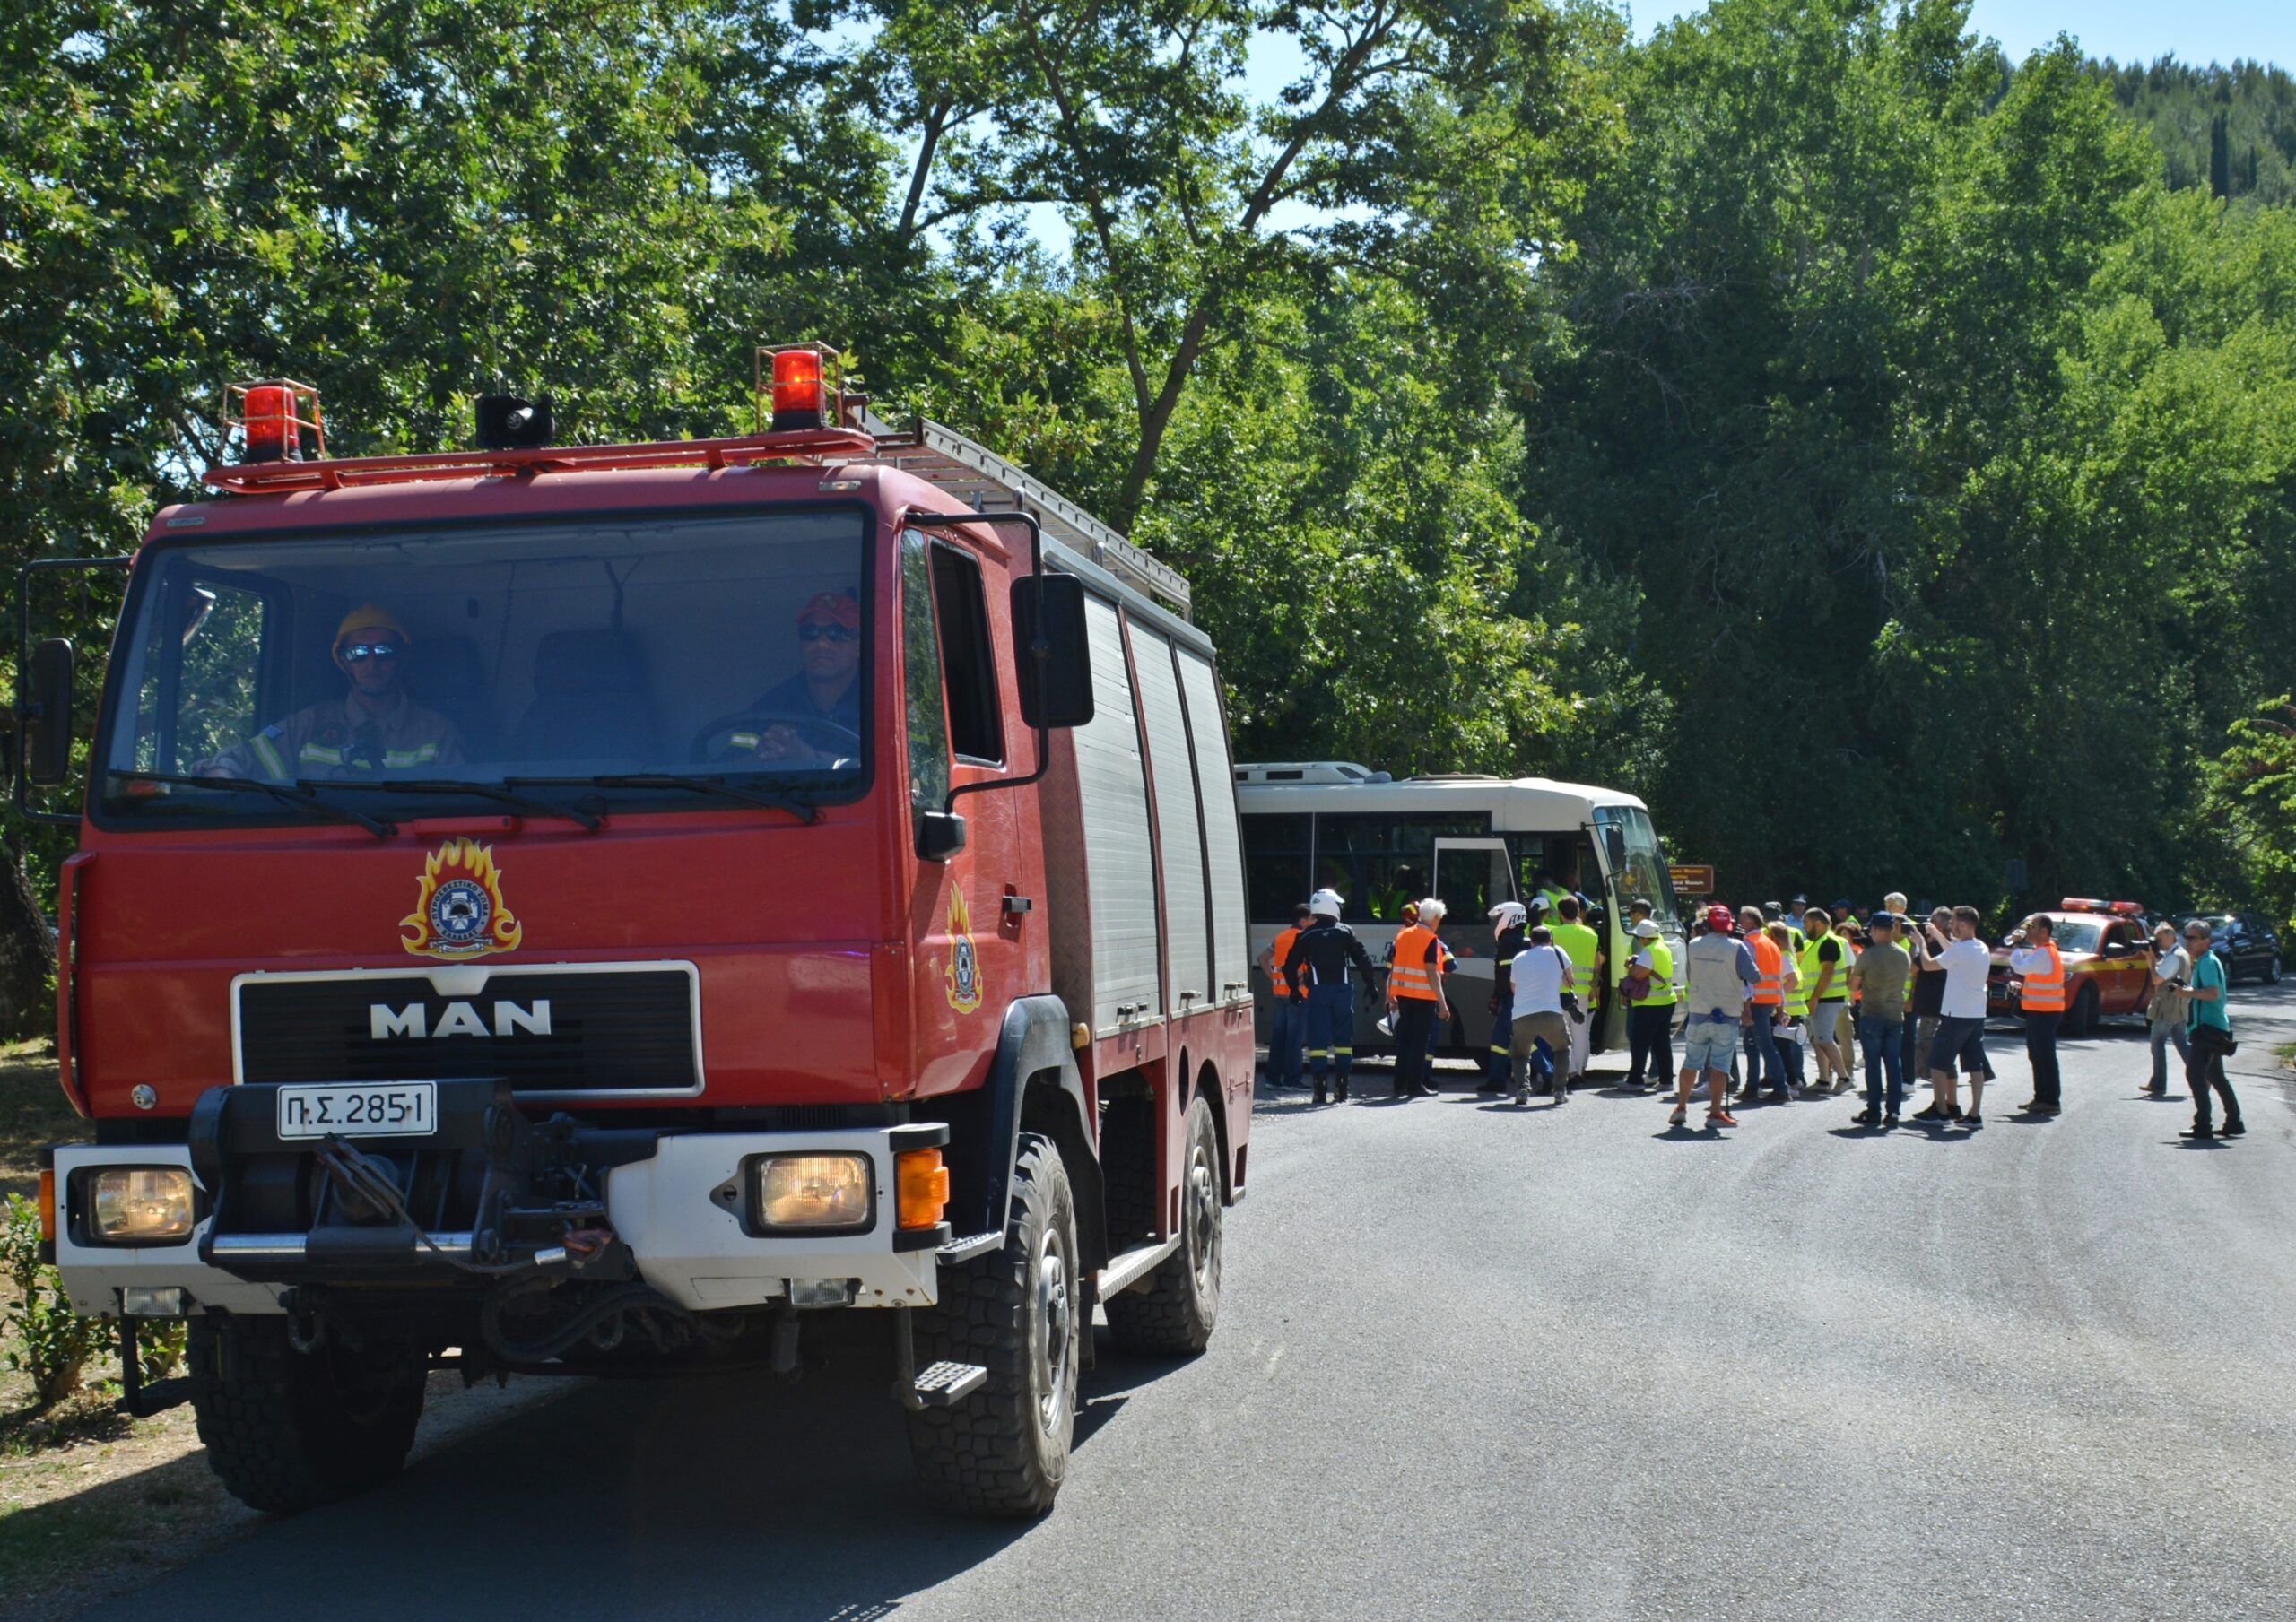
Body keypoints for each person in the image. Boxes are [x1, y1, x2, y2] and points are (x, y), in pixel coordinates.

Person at [202, 603, 462, 781]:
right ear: (343, 660)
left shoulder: (437, 732)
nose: (371, 664)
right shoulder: (307, 725)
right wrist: (222, 777)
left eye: (384, 652)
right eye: (358, 654)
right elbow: (233, 761)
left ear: (403, 658)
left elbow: (456, 807)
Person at [1284, 889, 1378, 1104]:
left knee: (1318, 1042)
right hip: (1343, 992)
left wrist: (1294, 990)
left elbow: (1289, 966)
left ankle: (1319, 1091)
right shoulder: (1345, 931)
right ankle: (1342, 1090)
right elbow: (1363, 960)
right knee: (1344, 1040)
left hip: (1318, 992)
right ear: (1332, 906)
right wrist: (1371, 985)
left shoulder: (1306, 935)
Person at [745, 590, 863, 761]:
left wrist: (808, 757)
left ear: (859, 644)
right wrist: (759, 755)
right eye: (810, 632)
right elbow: (726, 769)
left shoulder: (881, 705)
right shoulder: (771, 706)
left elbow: (890, 772)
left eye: (836, 633)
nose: (822, 643)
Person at [1673, 904, 1756, 1129]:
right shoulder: (1736, 946)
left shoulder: (1694, 944)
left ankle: (1681, 1108)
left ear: (1708, 924)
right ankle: (1715, 1113)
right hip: (1727, 1013)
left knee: (1691, 1061)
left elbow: (1691, 973)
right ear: (1729, 925)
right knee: (1720, 1065)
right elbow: (1754, 976)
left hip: (1699, 1010)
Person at [1909, 905, 1991, 1127]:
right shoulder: (1980, 947)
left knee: (1938, 1063)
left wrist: (1922, 944)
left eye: (1953, 923)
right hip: (1976, 1014)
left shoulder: (1960, 951)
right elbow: (1953, 953)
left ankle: (1942, 1111)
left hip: (1955, 1015)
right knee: (1975, 1066)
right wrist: (1936, 935)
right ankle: (1974, 1114)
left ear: (1963, 925)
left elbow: (1927, 964)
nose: (1950, 927)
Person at [2179, 919, 2243, 1140]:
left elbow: (2212, 993)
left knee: (2195, 1073)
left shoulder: (2206, 962)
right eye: (2186, 937)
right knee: (2215, 1076)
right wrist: (2187, 990)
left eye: (2193, 938)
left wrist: (2186, 993)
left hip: (2209, 1029)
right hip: (2212, 1027)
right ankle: (2234, 1121)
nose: (2188, 942)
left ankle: (2203, 1125)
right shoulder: (2206, 960)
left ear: (2206, 941)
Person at [1848, 913, 1912, 1126]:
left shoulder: (1868, 955)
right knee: (1894, 1064)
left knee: (1873, 1064)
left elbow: (1854, 985)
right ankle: (1893, 1112)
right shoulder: (1903, 954)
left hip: (1872, 1013)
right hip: (1895, 1015)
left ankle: (1873, 1109)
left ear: (1875, 929)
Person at [1387, 898, 1451, 1099]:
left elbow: (1393, 968)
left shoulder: (1403, 934)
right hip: (1424, 997)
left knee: (1404, 1041)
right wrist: (1442, 1003)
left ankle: (1399, 1085)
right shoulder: (1430, 939)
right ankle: (1415, 1086)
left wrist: (1390, 995)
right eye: (1439, 919)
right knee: (1419, 1043)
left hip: (1403, 995)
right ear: (1436, 918)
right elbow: (1432, 973)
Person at [2006, 915, 2067, 1115]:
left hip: (2045, 1012)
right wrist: (2022, 988)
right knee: (2037, 1055)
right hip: (2040, 1011)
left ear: (2044, 931)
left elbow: (2019, 967)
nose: (2029, 930)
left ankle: (2050, 1099)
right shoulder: (2042, 952)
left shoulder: (2044, 953)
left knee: (2044, 1056)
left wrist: (2016, 946)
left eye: (2033, 927)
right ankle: (2041, 1097)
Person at [1509, 924, 1576, 1107]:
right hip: (1551, 1013)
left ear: (1531, 942)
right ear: (1550, 940)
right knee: (1562, 1049)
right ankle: (1560, 1091)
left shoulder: (1519, 957)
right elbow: (1571, 980)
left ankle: (1522, 1089)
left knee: (1520, 1054)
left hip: (1522, 1014)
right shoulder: (1558, 952)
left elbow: (1514, 988)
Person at [1256, 904, 1313, 1090]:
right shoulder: (1304, 938)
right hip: (1298, 995)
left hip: (1280, 993)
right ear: (1303, 920)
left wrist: (1274, 979)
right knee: (1294, 1039)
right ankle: (1292, 1080)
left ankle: (1272, 1079)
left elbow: (1262, 958)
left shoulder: (1280, 938)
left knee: (1278, 1038)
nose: (1313, 922)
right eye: (1312, 919)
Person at [1551, 896, 1603, 1092]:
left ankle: (1569, 1072)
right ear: (1578, 911)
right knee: (1581, 1035)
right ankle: (1579, 1073)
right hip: (1583, 992)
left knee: (1562, 1033)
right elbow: (1597, 963)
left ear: (1560, 914)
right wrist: (1594, 987)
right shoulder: (1591, 934)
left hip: (1559, 991)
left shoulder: (1554, 933)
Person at [1736, 906, 1788, 1102]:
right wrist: (1781, 1008)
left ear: (1751, 920)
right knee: (1753, 1045)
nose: (1739, 922)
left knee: (1764, 1046)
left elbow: (1747, 978)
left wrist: (1746, 1006)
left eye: (1742, 919)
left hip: (1756, 1001)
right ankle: (1752, 1087)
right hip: (1769, 1001)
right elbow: (1778, 977)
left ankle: (1780, 1088)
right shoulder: (1770, 943)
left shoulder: (1749, 943)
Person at [1482, 901, 1531, 1094]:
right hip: (1526, 997)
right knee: (1511, 1039)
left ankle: (1550, 1075)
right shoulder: (1526, 940)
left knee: (1503, 1039)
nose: (1498, 922)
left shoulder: (1508, 942)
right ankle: (1496, 1079)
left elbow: (1505, 975)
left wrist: (1497, 996)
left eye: (1501, 917)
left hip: (1511, 998)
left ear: (1510, 918)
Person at [1622, 917, 1675, 1091]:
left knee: (1640, 1042)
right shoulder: (1664, 948)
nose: (1638, 940)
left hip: (1649, 1004)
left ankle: (1635, 1080)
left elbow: (1638, 975)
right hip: (1667, 1001)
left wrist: (1630, 966)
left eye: (1638, 938)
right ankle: (1666, 1080)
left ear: (1644, 938)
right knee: (1662, 1042)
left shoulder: (1649, 951)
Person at [1800, 906, 1850, 1092]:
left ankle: (1844, 1078)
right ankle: (1824, 1080)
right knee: (1818, 1040)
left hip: (1827, 999)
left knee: (1824, 1039)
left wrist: (1814, 998)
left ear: (1818, 923)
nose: (1804, 926)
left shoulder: (1828, 942)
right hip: (1819, 999)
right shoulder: (1814, 943)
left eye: (1807, 922)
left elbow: (1828, 971)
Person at [2144, 922, 2191, 1098]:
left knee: (2157, 1044)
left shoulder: (2173, 957)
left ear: (2171, 936)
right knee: (2181, 1044)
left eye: (2160, 938)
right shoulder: (2179, 954)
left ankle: (2158, 1083)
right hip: (2178, 1006)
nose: (2158, 942)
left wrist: (2150, 960)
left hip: (2167, 1006)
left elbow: (2157, 980)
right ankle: (2203, 1074)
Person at [1908, 906, 1952, 1083]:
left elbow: (1913, 968)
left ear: (1939, 926)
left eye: (1932, 921)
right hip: (1941, 1000)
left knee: (1925, 1039)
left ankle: (1927, 1072)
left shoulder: (1933, 946)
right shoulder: (1949, 944)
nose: (1927, 925)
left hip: (1932, 1001)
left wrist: (1918, 945)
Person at [1767, 921, 1808, 1097]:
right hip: (1791, 1007)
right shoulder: (1787, 954)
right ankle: (1791, 1080)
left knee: (1781, 1047)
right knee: (1783, 1047)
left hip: (1785, 1009)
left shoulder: (1783, 955)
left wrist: (1778, 998)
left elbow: (1792, 980)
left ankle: (1792, 1082)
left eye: (1768, 935)